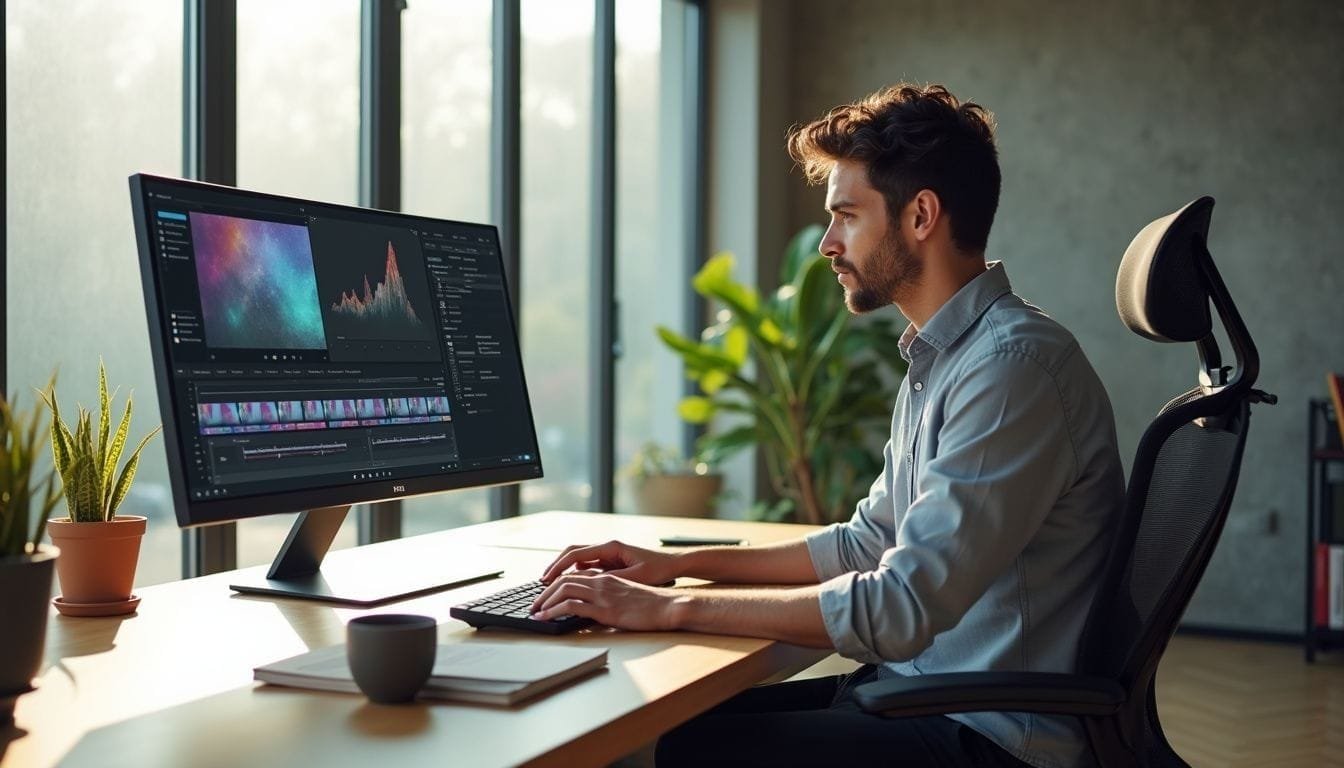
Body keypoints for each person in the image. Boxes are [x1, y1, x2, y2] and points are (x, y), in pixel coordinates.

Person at [531, 82, 1124, 768]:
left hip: (987, 737)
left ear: (921, 216)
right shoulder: (950, 356)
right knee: (659, 728)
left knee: (675, 749)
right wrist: (676, 568)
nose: (828, 245)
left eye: (846, 215)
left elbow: (898, 610)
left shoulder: (1010, 368)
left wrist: (666, 610)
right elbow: (866, 543)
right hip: (925, 694)